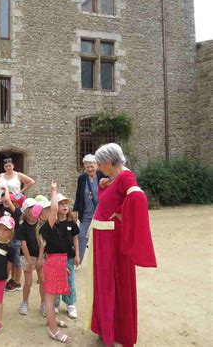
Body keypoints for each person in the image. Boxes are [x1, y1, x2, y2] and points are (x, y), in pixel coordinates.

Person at [86, 143, 157, 347]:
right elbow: (113, 201)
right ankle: (105, 328)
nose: (98, 168)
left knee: (112, 284)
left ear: (109, 162)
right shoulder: (116, 178)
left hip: (112, 242)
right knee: (104, 285)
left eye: (100, 163)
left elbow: (137, 197)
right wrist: (103, 188)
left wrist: (123, 214)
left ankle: (116, 333)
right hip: (104, 239)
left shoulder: (126, 176)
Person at [37, 182, 72, 343]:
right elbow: (53, 208)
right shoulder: (47, 226)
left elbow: (58, 249)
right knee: (50, 300)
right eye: (48, 210)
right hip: (53, 263)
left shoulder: (54, 227)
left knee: (54, 295)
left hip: (58, 262)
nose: (52, 210)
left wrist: (64, 267)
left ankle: (52, 320)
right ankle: (53, 331)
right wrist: (53, 190)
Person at [73, 154, 105, 264]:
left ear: (97, 165)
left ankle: (101, 261)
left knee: (100, 237)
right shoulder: (82, 178)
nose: (90, 169)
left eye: (92, 166)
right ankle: (78, 261)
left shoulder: (103, 176)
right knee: (81, 236)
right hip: (86, 212)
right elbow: (78, 195)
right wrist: (76, 211)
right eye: (87, 167)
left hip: (101, 212)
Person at [53, 194, 80, 320]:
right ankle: (55, 303)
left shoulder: (72, 223)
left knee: (69, 281)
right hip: (56, 257)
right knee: (57, 280)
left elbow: (75, 238)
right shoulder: (53, 223)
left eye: (66, 204)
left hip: (69, 257)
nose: (64, 206)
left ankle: (70, 304)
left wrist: (77, 255)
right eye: (61, 204)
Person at [16, 198, 45, 316]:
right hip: (26, 257)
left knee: (43, 280)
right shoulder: (22, 227)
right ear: (27, 212)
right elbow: (23, 244)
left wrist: (40, 258)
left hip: (40, 256)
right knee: (28, 282)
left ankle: (44, 304)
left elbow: (42, 242)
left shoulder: (41, 225)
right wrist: (29, 261)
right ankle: (24, 302)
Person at [0, 189, 25, 292]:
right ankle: (13, 280)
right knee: (13, 261)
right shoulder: (14, 210)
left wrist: (6, 188)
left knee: (17, 262)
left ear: (17, 204)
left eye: (13, 201)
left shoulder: (17, 211)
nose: (10, 202)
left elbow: (8, 200)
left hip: (15, 239)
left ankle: (17, 282)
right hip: (12, 239)